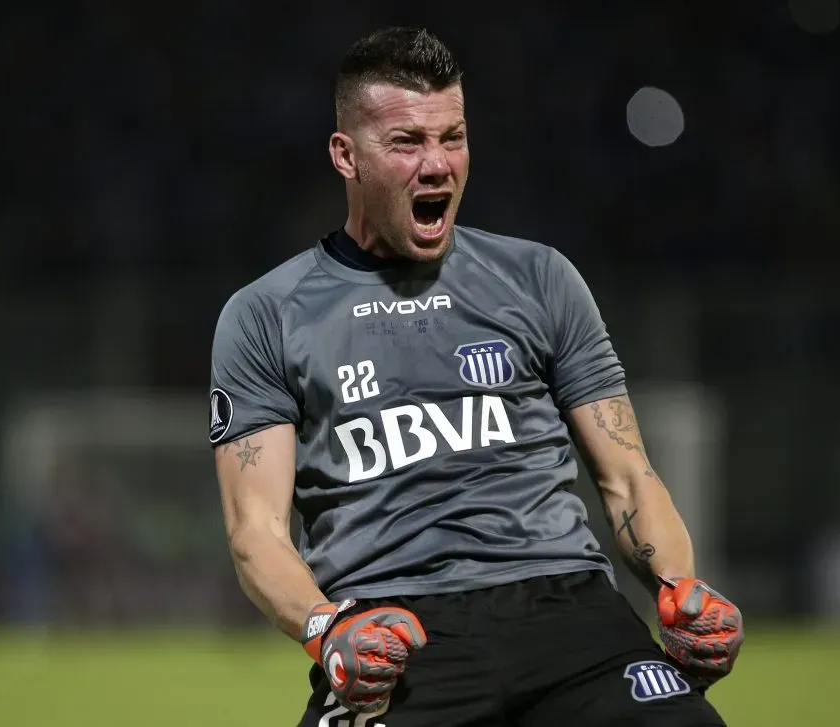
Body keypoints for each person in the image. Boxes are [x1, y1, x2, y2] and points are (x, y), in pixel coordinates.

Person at [209, 26, 743, 727]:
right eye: (406, 142)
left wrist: (678, 586)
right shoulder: (267, 315)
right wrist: (325, 627)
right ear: (346, 155)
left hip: (568, 614)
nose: (436, 164)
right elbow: (257, 531)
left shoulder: (540, 279)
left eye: (451, 137)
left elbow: (629, 476)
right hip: (395, 634)